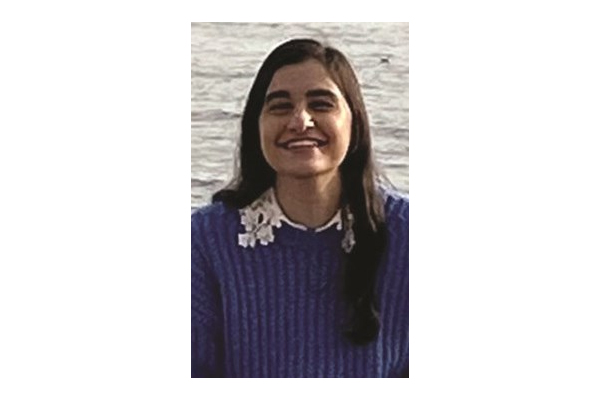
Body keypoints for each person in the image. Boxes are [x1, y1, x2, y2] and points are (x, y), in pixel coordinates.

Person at [191, 38, 408, 378]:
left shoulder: (408, 234)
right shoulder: (205, 241)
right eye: (280, 106)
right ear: (256, 126)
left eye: (321, 104)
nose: (300, 121)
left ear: (355, 122)